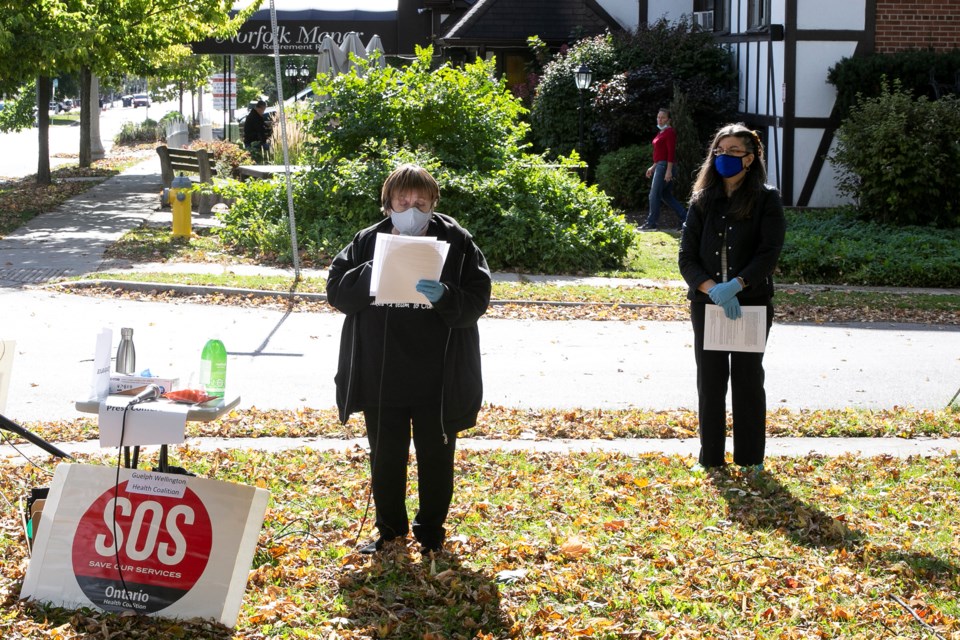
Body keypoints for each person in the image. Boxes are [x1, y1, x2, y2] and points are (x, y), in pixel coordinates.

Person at [326, 163, 492, 555]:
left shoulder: (458, 241)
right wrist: (376, 269)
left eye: (421, 201)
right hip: (380, 375)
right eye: (403, 201)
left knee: (436, 459)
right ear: (388, 204)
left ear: (434, 203)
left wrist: (446, 296)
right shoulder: (366, 241)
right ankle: (390, 531)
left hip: (439, 378)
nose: (412, 208)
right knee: (386, 457)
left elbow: (477, 299)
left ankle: (431, 531)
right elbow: (336, 291)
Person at [677, 123, 786, 472]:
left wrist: (737, 285)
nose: (724, 157)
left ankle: (750, 458)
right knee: (710, 381)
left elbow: (769, 253)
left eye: (734, 152)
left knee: (747, 379)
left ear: (750, 159)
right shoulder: (702, 199)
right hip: (707, 305)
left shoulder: (767, 198)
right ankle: (710, 459)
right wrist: (712, 290)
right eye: (719, 151)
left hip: (750, 304)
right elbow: (686, 258)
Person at [640, 108, 688, 231]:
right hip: (660, 165)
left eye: (663, 118)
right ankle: (686, 218)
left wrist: (669, 170)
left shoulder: (669, 132)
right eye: (658, 117)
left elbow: (671, 153)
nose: (660, 120)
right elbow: (660, 154)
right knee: (665, 195)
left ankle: (651, 224)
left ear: (669, 120)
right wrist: (653, 166)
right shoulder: (660, 133)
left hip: (665, 167)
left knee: (654, 195)